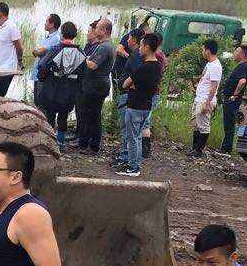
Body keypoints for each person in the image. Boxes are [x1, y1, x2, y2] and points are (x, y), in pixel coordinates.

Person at [33, 21, 87, 147]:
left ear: (62, 33)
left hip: (53, 89)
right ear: (74, 35)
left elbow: (42, 65)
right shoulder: (80, 52)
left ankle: (50, 142)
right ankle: (61, 142)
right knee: (63, 116)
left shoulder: (56, 49)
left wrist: (42, 77)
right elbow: (84, 72)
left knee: (50, 116)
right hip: (70, 91)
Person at [116, 32, 162, 177]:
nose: (140, 48)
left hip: (135, 106)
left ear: (147, 47)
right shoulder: (157, 66)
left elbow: (125, 84)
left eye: (141, 46)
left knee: (132, 137)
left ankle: (133, 167)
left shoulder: (143, 68)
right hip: (146, 106)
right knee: (137, 137)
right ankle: (134, 164)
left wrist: (132, 85)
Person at [75, 18, 115, 154]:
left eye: (97, 28)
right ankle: (84, 142)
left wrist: (84, 57)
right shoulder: (103, 44)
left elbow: (92, 65)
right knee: (88, 115)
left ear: (104, 30)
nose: (95, 30)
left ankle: (93, 146)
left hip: (96, 87)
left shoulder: (105, 47)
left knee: (93, 116)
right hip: (94, 85)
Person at [191, 39, 223, 156]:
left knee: (204, 125)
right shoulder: (209, 64)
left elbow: (214, 86)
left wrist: (207, 102)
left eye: (203, 49)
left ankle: (199, 150)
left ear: (208, 51)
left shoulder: (215, 66)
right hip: (200, 98)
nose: (202, 52)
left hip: (205, 100)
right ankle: (194, 148)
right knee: (195, 124)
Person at [219, 44, 247, 154]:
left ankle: (226, 149)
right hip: (232, 99)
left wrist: (234, 95)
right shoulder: (242, 66)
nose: (234, 54)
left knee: (229, 124)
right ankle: (226, 147)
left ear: (242, 54)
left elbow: (242, 82)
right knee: (228, 123)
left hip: (232, 100)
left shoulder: (243, 66)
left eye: (236, 51)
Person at [0, 2, 22, 97]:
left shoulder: (12, 27)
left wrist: (19, 61)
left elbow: (19, 47)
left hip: (7, 69)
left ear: (0, 13)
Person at [28, 13, 62, 95]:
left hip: (44, 75)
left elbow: (39, 51)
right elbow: (38, 51)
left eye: (47, 21)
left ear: (52, 24)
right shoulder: (48, 37)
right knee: (37, 99)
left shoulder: (55, 38)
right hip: (39, 73)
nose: (45, 23)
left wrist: (36, 51)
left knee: (41, 100)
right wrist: (36, 51)